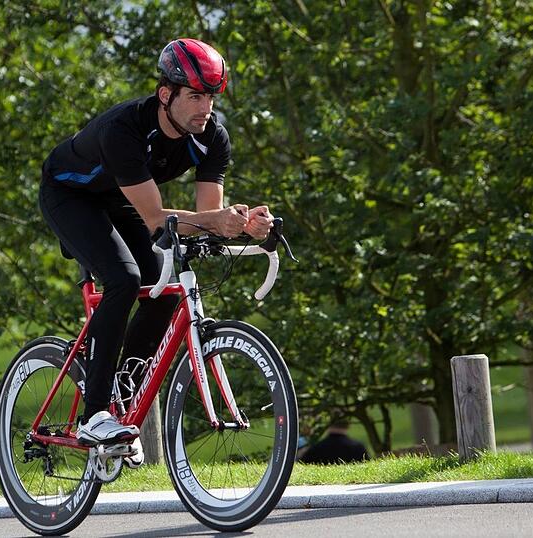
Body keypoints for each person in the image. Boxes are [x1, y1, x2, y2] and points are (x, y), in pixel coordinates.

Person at [39, 38, 273, 466]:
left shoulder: (211, 137)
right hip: (69, 195)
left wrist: (243, 224)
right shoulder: (126, 129)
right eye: (195, 96)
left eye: (211, 97)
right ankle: (94, 415)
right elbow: (155, 219)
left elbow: (207, 216)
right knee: (125, 278)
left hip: (116, 197)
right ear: (166, 95)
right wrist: (216, 220)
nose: (206, 108)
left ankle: (122, 398)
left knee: (162, 287)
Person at [298, 419, 369, 465]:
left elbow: (302, 464)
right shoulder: (358, 448)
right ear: (348, 425)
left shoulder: (316, 448)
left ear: (327, 424)